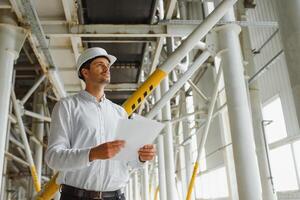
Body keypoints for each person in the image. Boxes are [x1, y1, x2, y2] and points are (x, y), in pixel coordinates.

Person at [45, 47, 156, 200]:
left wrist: (141, 157)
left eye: (107, 65)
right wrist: (92, 154)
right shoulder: (67, 106)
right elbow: (53, 157)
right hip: (76, 197)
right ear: (85, 72)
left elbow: (127, 162)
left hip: (116, 196)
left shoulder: (119, 112)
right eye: (100, 65)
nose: (106, 69)